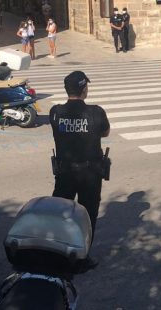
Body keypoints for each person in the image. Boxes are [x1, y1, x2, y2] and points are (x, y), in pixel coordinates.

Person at [49, 71, 110, 265]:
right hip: (90, 174)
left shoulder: (55, 112)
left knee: (60, 213)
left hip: (65, 172)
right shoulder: (96, 112)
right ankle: (82, 257)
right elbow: (105, 132)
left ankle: (58, 252)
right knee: (87, 215)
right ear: (84, 89)